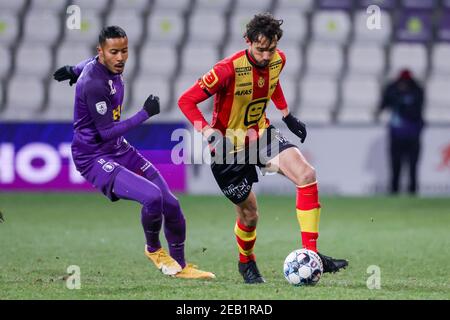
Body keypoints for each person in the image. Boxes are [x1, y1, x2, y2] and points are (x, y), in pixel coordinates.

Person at [178, 13, 348, 284]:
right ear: (247, 41)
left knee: (306, 175)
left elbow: (272, 81)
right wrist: (208, 132)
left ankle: (312, 255)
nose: (267, 56)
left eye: (271, 49)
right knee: (250, 215)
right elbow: (186, 100)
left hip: (261, 136)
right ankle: (246, 263)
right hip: (228, 149)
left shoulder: (279, 59)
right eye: (261, 49)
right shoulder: (227, 69)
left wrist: (287, 114)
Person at [53, 25, 215, 279]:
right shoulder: (94, 84)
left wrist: (72, 69)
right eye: (114, 52)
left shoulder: (102, 65)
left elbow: (88, 63)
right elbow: (106, 132)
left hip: (118, 149)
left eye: (124, 51)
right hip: (93, 156)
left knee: (171, 204)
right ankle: (154, 250)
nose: (120, 58)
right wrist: (145, 114)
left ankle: (181, 267)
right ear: (102, 51)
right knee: (152, 198)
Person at [376, 69, 425, 195]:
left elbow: (416, 112)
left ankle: (412, 192)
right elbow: (383, 104)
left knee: (412, 166)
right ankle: (394, 191)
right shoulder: (393, 90)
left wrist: (402, 102)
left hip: (412, 136)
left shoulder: (417, 92)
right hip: (396, 135)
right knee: (395, 165)